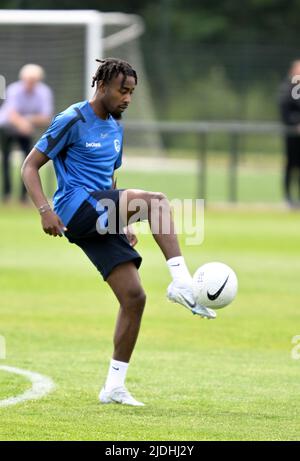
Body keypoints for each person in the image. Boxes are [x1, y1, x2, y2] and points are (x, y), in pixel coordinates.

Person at [21, 58, 216, 407]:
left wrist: (122, 223)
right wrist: (43, 209)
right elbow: (29, 166)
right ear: (102, 86)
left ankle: (113, 387)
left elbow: (111, 182)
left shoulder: (116, 127)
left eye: (132, 92)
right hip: (73, 208)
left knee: (134, 298)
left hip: (101, 211)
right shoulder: (73, 119)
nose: (127, 98)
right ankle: (182, 282)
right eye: (122, 90)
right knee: (157, 202)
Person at [0, 64, 53, 202]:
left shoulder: (44, 92)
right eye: (28, 80)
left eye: (33, 80)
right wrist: (23, 123)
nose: (30, 83)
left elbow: (46, 116)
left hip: (27, 129)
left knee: (28, 161)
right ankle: (7, 194)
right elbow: (11, 113)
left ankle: (24, 196)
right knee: (5, 159)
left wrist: (27, 120)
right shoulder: (13, 89)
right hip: (7, 127)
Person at [278, 60, 300, 207]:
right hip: (292, 135)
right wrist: (296, 123)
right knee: (291, 165)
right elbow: (285, 112)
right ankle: (287, 198)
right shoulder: (287, 88)